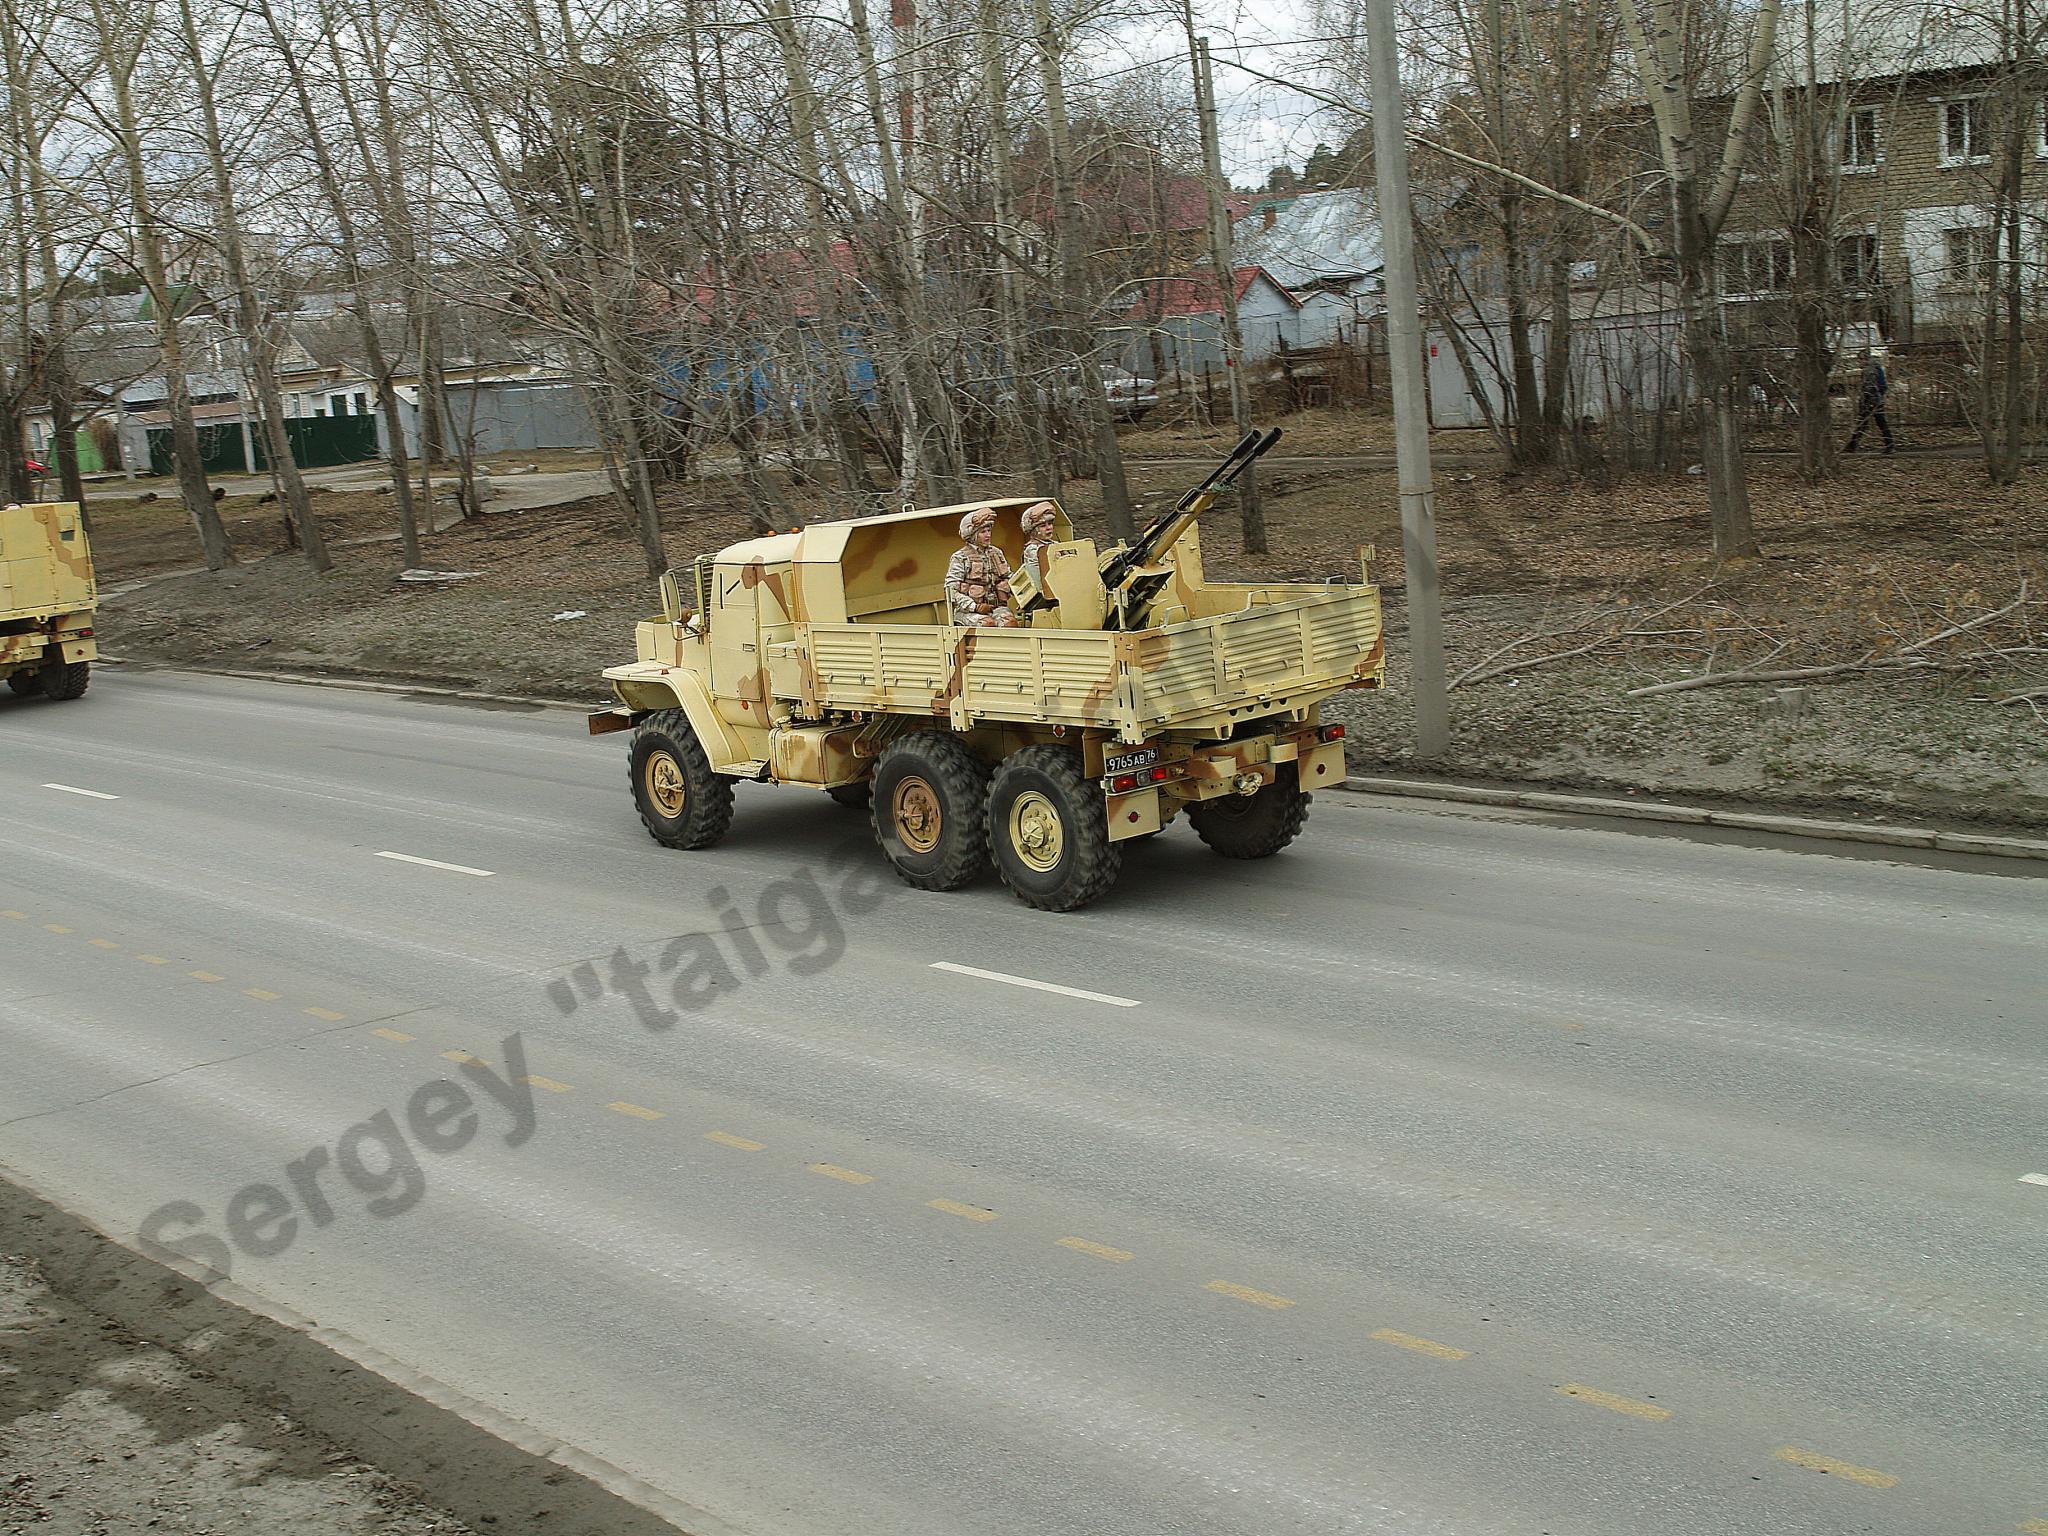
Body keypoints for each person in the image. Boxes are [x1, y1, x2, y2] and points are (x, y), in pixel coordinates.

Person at [945, 506, 1017, 627]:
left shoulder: (996, 553)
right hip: (967, 612)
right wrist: (975, 606)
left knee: (1009, 623)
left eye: (989, 531)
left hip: (996, 608)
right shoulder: (960, 557)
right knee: (987, 624)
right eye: (983, 532)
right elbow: (950, 590)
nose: (988, 535)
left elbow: (1010, 578)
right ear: (972, 535)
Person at [1845, 347, 1894, 454]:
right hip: (1877, 400)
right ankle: (1889, 444)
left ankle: (1852, 445)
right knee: (1880, 423)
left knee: (1862, 423)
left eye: (1859, 360)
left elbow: (1868, 387)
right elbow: (1883, 386)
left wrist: (1866, 400)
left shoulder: (1868, 370)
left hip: (1870, 401)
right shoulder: (1877, 368)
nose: (1858, 363)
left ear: (1864, 359)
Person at [1018, 501, 1059, 589]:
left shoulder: (1056, 545)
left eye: (1050, 523)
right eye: (1043, 526)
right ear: (1033, 531)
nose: (1049, 528)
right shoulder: (1032, 550)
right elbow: (1038, 582)